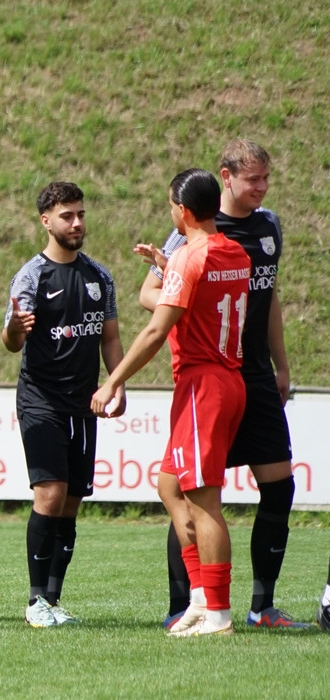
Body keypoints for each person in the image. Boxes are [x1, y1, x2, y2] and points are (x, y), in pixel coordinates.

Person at [136, 140, 306, 629]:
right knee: (187, 488)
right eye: (253, 179)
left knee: (278, 486)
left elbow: (269, 297)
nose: (261, 187)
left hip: (253, 374)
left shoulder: (268, 226)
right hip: (214, 370)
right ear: (226, 178)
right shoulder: (192, 233)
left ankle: (261, 607)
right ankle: (186, 604)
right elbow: (152, 293)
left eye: (266, 178)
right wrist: (187, 299)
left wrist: (281, 364)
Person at [93, 168, 251, 636]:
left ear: (182, 210)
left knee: (204, 502)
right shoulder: (235, 251)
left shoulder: (189, 257)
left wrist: (112, 381)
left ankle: (217, 612)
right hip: (226, 380)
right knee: (170, 486)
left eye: (170, 205)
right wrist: (168, 266)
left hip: (204, 383)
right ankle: (200, 599)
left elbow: (155, 331)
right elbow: (205, 294)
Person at [2, 182, 127, 628]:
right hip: (41, 400)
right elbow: (10, 341)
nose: (76, 223)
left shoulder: (99, 277)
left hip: (84, 403)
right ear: (46, 221)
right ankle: (35, 600)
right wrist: (16, 327)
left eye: (80, 215)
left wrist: (117, 383)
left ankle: (53, 601)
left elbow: (109, 337)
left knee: (71, 502)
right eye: (67, 216)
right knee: (51, 493)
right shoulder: (31, 276)